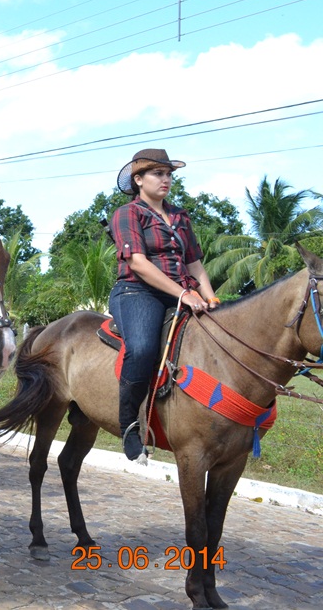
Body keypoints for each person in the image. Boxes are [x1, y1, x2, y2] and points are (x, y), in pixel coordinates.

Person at [109, 148, 219, 461]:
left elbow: (195, 263)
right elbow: (140, 264)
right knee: (142, 348)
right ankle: (129, 425)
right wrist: (185, 295)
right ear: (139, 179)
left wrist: (211, 298)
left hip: (182, 292)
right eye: (158, 173)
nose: (166, 179)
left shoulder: (181, 215)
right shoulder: (127, 214)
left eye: (169, 174)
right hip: (136, 291)